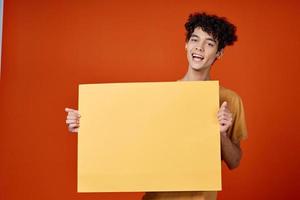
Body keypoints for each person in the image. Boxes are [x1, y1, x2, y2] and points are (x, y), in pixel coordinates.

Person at [65, 12, 247, 200]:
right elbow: (124, 132)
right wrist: (86, 123)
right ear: (186, 44)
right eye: (195, 40)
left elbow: (234, 162)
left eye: (209, 43)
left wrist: (221, 133)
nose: (199, 48)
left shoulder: (229, 100)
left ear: (219, 52)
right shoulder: (160, 96)